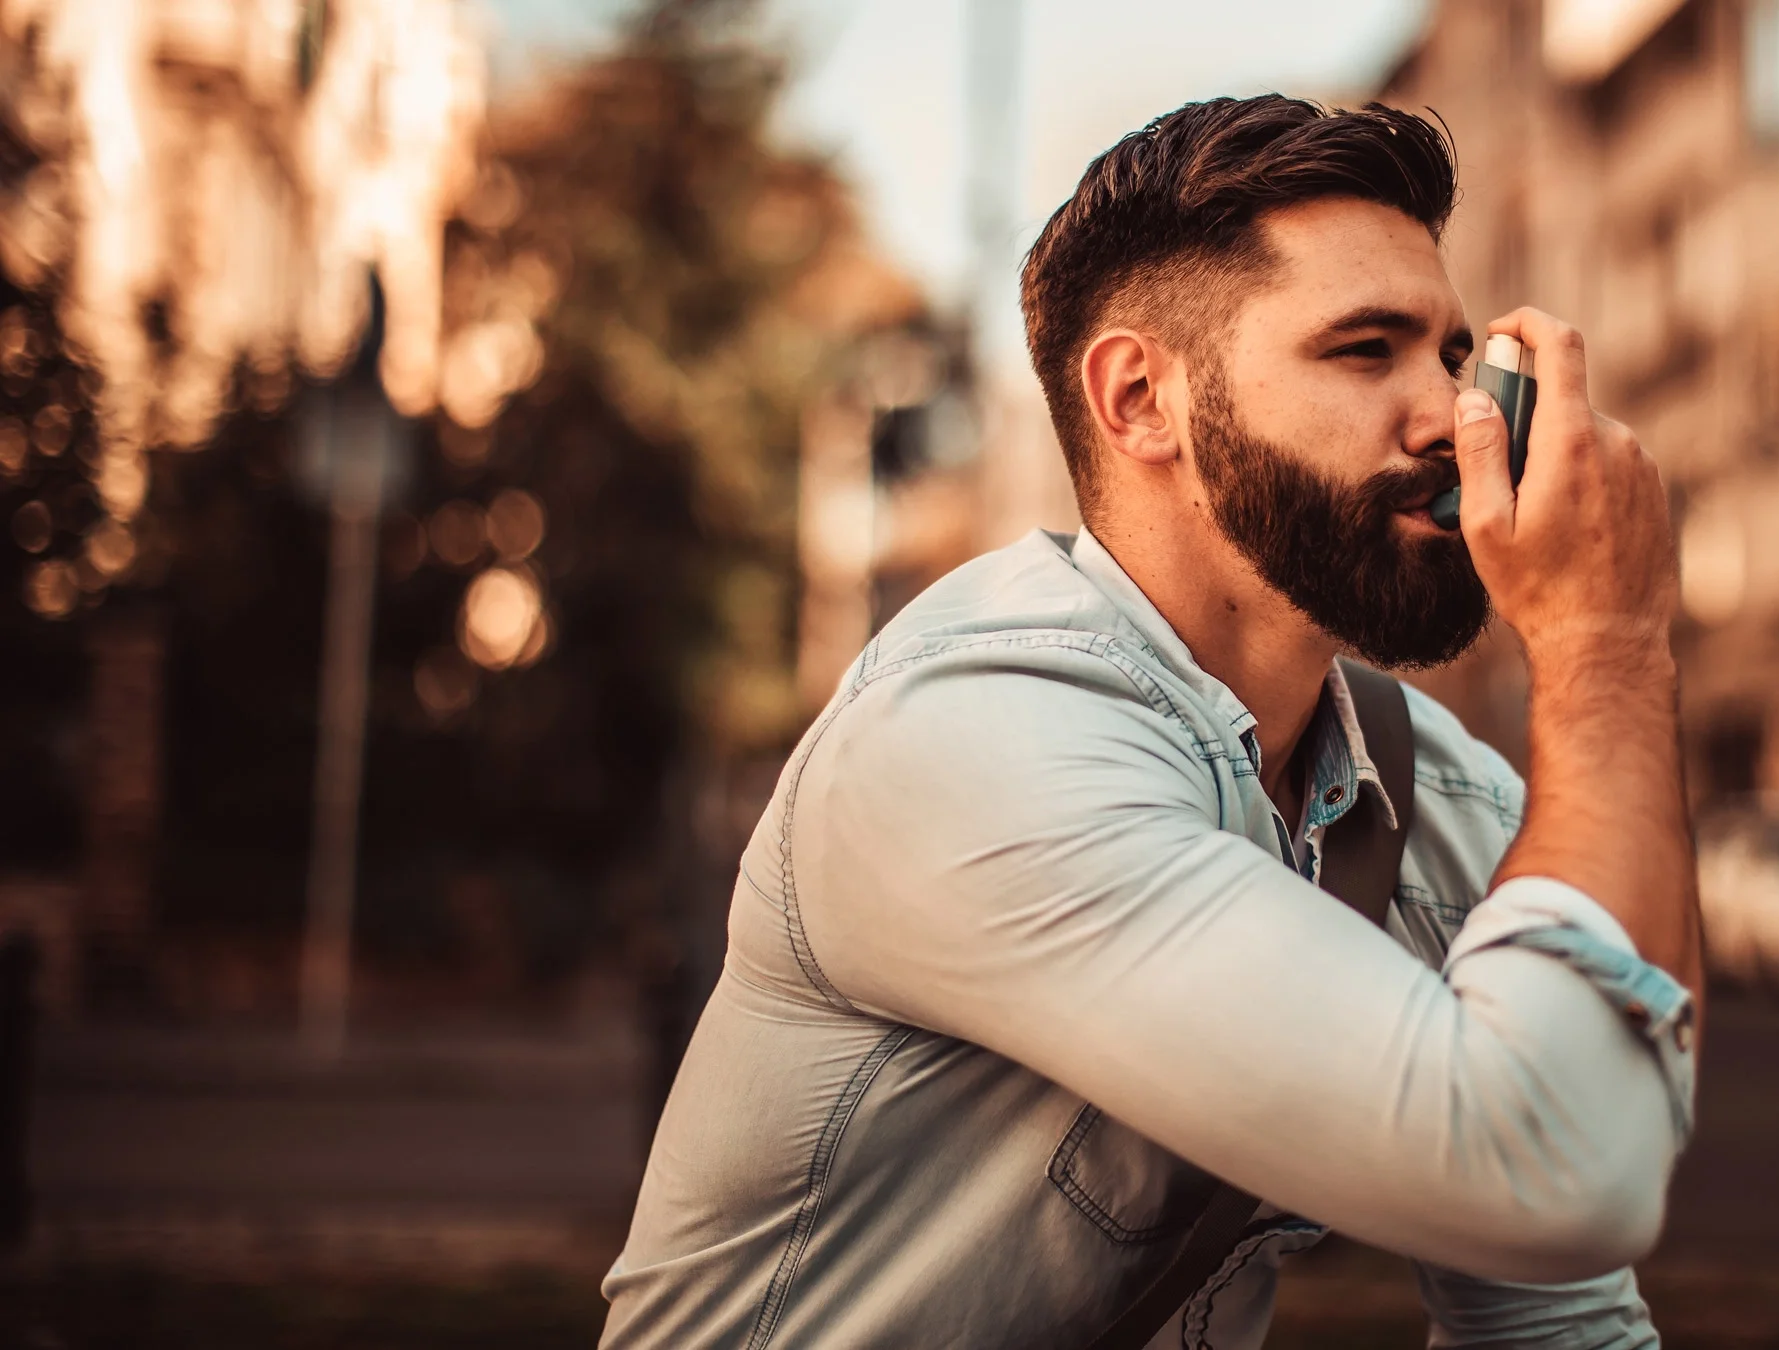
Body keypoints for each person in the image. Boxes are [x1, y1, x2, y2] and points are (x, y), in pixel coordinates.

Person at [599, 94, 1702, 1349]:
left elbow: (1560, 1308)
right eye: (1363, 350)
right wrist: (1606, 644)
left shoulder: (1446, 802)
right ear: (1139, 401)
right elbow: (1556, 1173)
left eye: (1454, 356)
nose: (1451, 418)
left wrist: (1609, 663)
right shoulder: (971, 745)